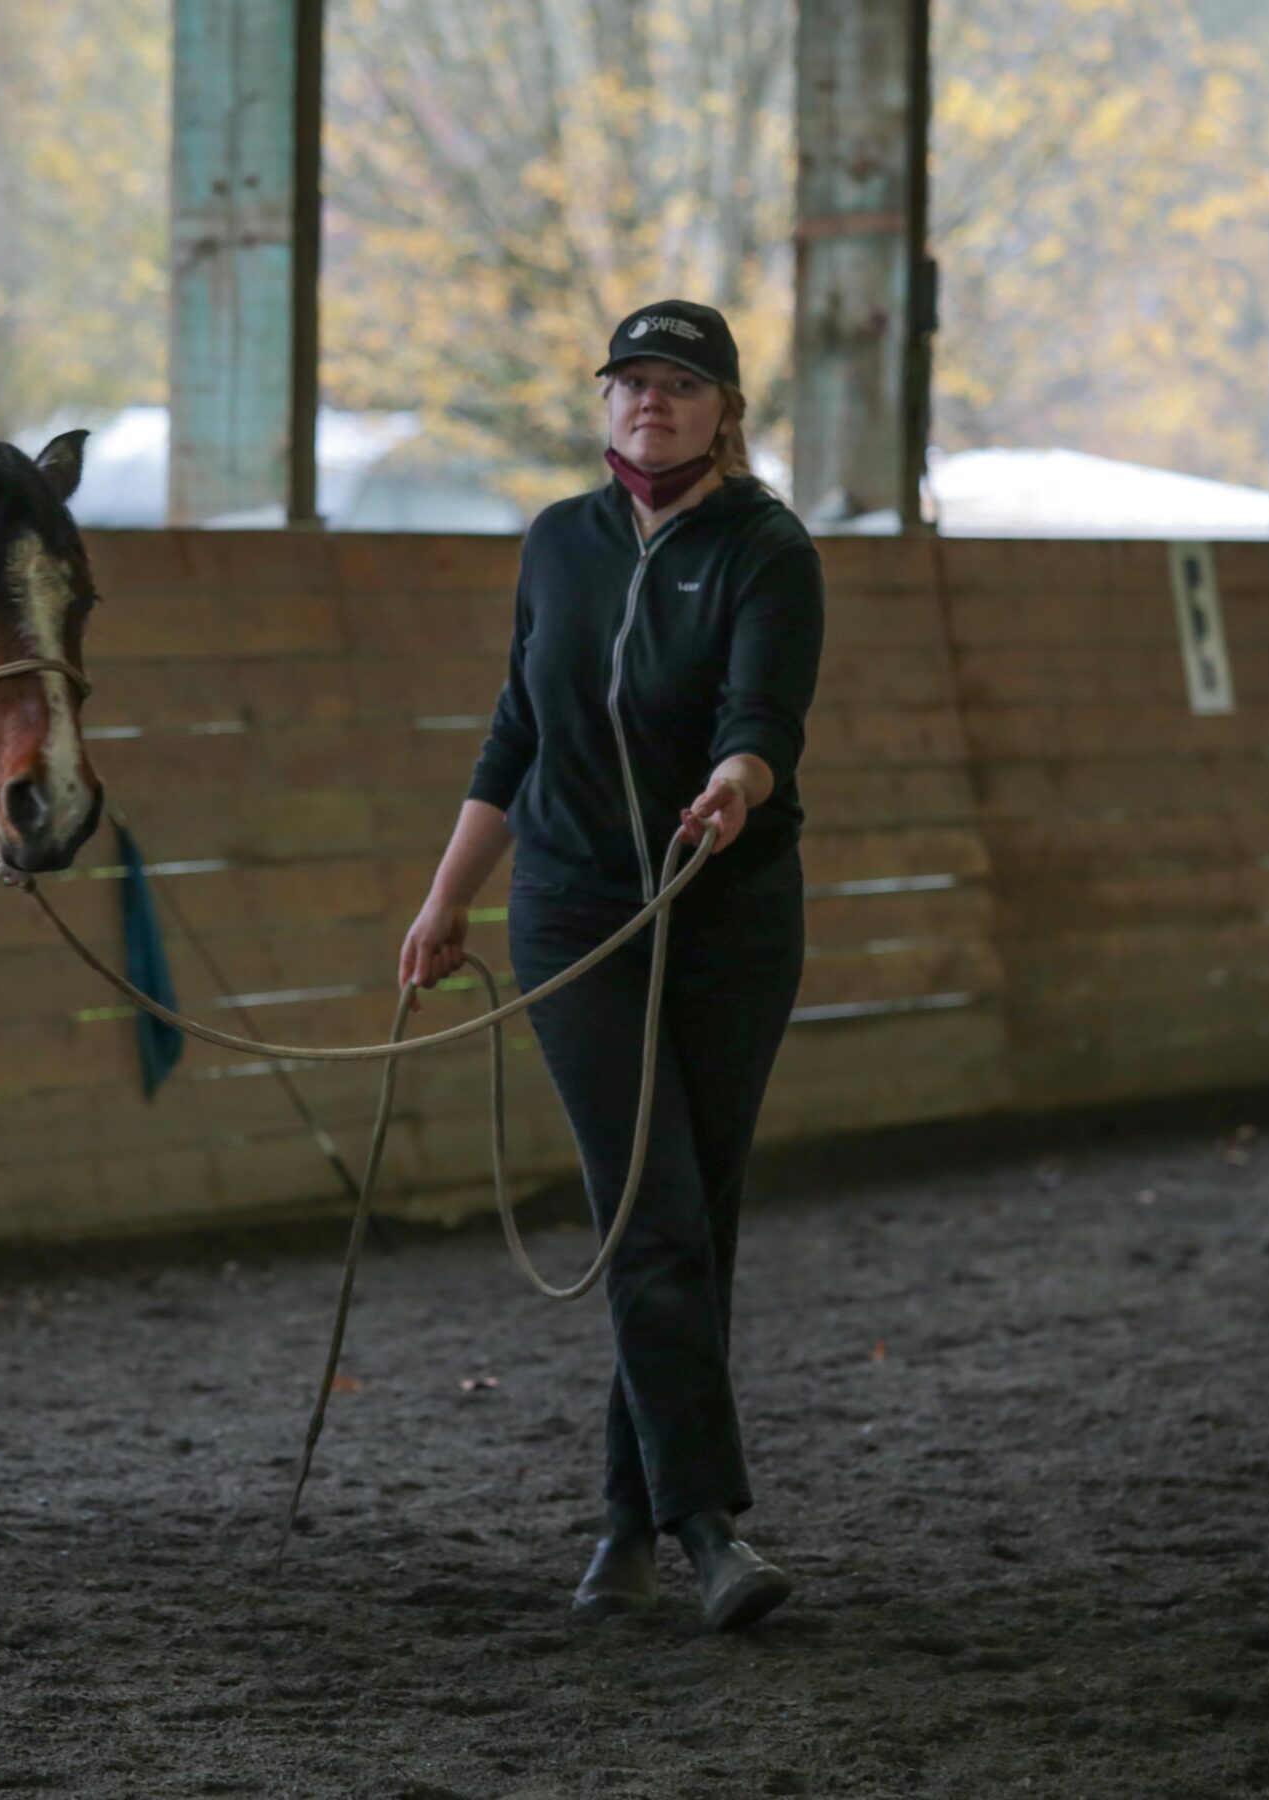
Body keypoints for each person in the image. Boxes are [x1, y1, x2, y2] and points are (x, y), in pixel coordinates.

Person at [399, 299, 824, 1631]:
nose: (653, 402)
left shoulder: (767, 551)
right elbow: (515, 733)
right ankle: (709, 1533)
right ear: (604, 407)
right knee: (647, 1210)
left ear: (726, 411)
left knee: (694, 1219)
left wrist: (736, 786)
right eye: (632, 382)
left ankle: (625, 1524)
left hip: (727, 914)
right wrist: (446, 898)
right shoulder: (558, 547)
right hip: (578, 915)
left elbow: (765, 721)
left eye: (682, 385)